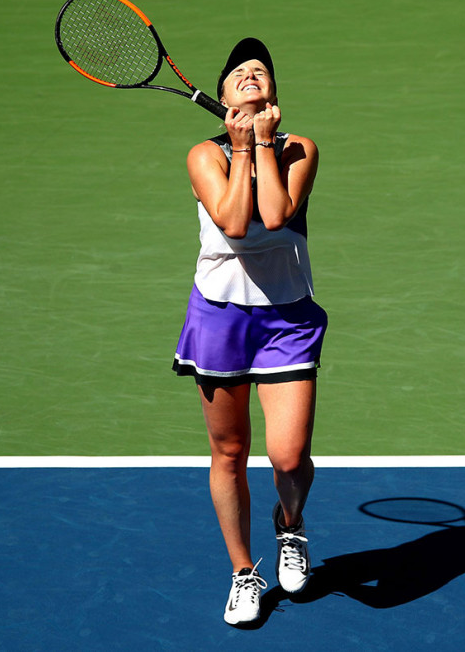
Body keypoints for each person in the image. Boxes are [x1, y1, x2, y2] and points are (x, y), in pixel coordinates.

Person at [172, 37, 326, 626]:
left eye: (261, 70)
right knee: (230, 452)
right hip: (220, 317)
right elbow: (236, 223)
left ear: (274, 96)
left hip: (287, 316)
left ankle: (290, 527)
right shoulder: (202, 156)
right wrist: (237, 146)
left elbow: (277, 213)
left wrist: (259, 142)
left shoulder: (298, 149)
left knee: (288, 457)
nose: (251, 74)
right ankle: (243, 572)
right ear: (225, 93)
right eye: (240, 72)